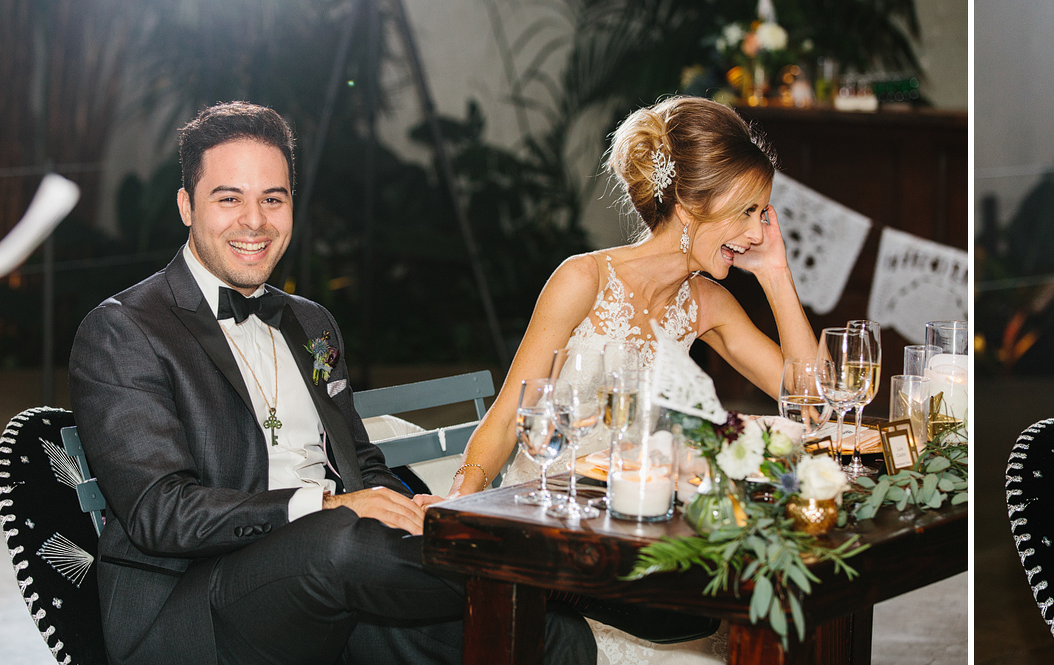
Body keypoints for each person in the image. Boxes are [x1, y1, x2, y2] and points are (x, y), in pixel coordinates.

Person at [68, 102, 592, 665]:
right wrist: (320, 504)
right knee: (340, 538)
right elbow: (161, 514)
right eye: (229, 198)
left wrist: (417, 511)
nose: (255, 220)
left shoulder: (312, 322)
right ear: (185, 207)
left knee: (557, 638)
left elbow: (360, 465)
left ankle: (532, 579)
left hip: (334, 590)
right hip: (193, 611)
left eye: (274, 198)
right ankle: (552, 572)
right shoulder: (124, 328)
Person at [446, 95, 815, 663]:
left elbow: (811, 401)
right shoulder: (582, 279)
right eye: (748, 211)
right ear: (691, 208)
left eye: (763, 213)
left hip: (646, 534)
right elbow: (503, 426)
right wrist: (458, 522)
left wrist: (776, 273)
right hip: (557, 539)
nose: (758, 230)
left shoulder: (706, 302)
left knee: (769, 606)